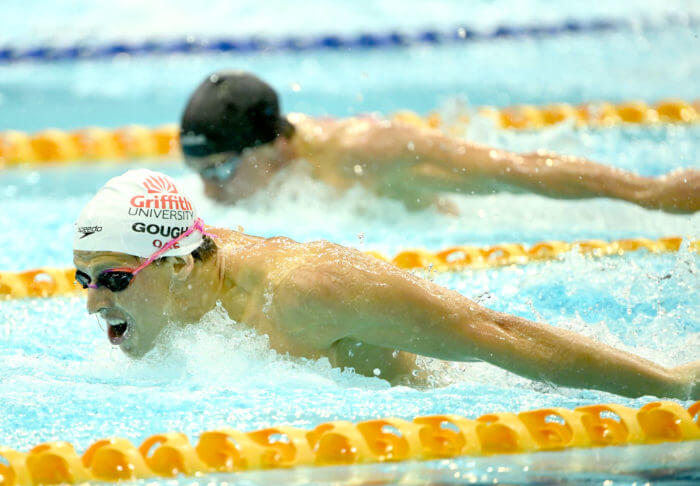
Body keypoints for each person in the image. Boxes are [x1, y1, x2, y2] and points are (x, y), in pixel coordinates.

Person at [73, 169, 699, 399]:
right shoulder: (186, 276)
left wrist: (670, 386)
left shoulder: (306, 290)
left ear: (177, 266)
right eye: (83, 279)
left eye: (114, 280)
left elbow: (492, 334)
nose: (94, 301)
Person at [179, 70, 699, 213]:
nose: (210, 191)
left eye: (220, 171)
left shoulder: (364, 151)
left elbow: (515, 168)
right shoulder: (280, 176)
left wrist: (648, 193)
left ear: (272, 146)